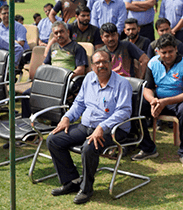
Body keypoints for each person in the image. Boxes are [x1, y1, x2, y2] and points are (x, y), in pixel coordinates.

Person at [47, 50, 133, 204]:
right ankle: (72, 181)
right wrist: (67, 117)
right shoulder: (88, 78)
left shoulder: (122, 83)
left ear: (111, 62)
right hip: (86, 126)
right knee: (53, 139)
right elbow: (79, 103)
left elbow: (124, 111)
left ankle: (86, 189)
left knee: (89, 147)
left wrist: (102, 126)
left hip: (113, 130)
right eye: (97, 63)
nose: (101, 65)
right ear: (92, 66)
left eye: (104, 61)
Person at [131, 34, 183, 169]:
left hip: (181, 99)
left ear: (176, 49)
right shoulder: (153, 63)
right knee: (135, 107)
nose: (167, 55)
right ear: (158, 52)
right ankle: (148, 148)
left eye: (170, 51)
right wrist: (153, 101)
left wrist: (165, 102)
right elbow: (147, 88)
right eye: (164, 52)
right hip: (159, 100)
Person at [22, 21, 89, 118]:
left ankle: (53, 119)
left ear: (68, 32)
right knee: (26, 95)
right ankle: (26, 121)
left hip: (65, 83)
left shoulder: (77, 48)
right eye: (56, 33)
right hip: (50, 82)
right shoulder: (53, 47)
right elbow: (45, 65)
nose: (59, 35)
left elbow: (81, 70)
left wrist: (62, 78)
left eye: (61, 32)